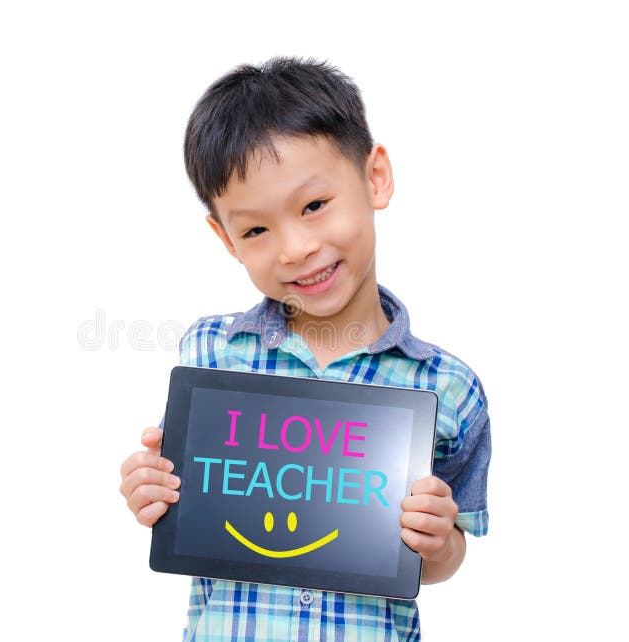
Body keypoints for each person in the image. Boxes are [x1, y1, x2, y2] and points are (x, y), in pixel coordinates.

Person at [119, 56, 491, 641]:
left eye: (314, 206)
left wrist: (439, 542)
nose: (295, 248)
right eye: (256, 230)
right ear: (226, 240)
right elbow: (191, 503)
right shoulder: (212, 352)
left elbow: (448, 553)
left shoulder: (448, 388)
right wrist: (152, 490)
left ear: (375, 179)